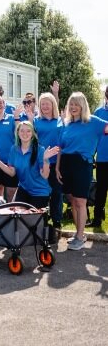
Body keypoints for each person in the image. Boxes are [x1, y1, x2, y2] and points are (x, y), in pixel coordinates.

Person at [57, 92, 108, 250]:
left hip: (82, 164)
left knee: (81, 201)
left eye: (76, 104)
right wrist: (58, 167)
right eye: (71, 104)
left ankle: (80, 236)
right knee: (72, 200)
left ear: (83, 105)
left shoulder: (93, 122)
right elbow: (61, 148)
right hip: (66, 163)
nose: (73, 107)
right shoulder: (66, 124)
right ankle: (79, 235)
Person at [0, 121, 59, 209]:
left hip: (39, 191)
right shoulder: (14, 149)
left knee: (32, 220)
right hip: (23, 189)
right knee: (15, 215)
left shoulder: (40, 149)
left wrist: (45, 159)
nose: (25, 133)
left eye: (28, 131)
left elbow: (45, 175)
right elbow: (12, 172)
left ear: (32, 133)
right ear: (18, 133)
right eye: (22, 131)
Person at [34, 92, 63, 228]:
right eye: (42, 104)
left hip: (56, 162)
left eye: (47, 103)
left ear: (53, 104)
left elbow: (63, 143)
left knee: (57, 193)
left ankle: (57, 221)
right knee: (42, 192)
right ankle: (42, 221)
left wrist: (58, 165)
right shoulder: (35, 121)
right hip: (40, 163)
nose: (45, 106)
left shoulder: (60, 121)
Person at [90, 85, 108, 227]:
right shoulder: (98, 112)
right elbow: (93, 137)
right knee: (101, 189)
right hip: (102, 158)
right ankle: (97, 219)